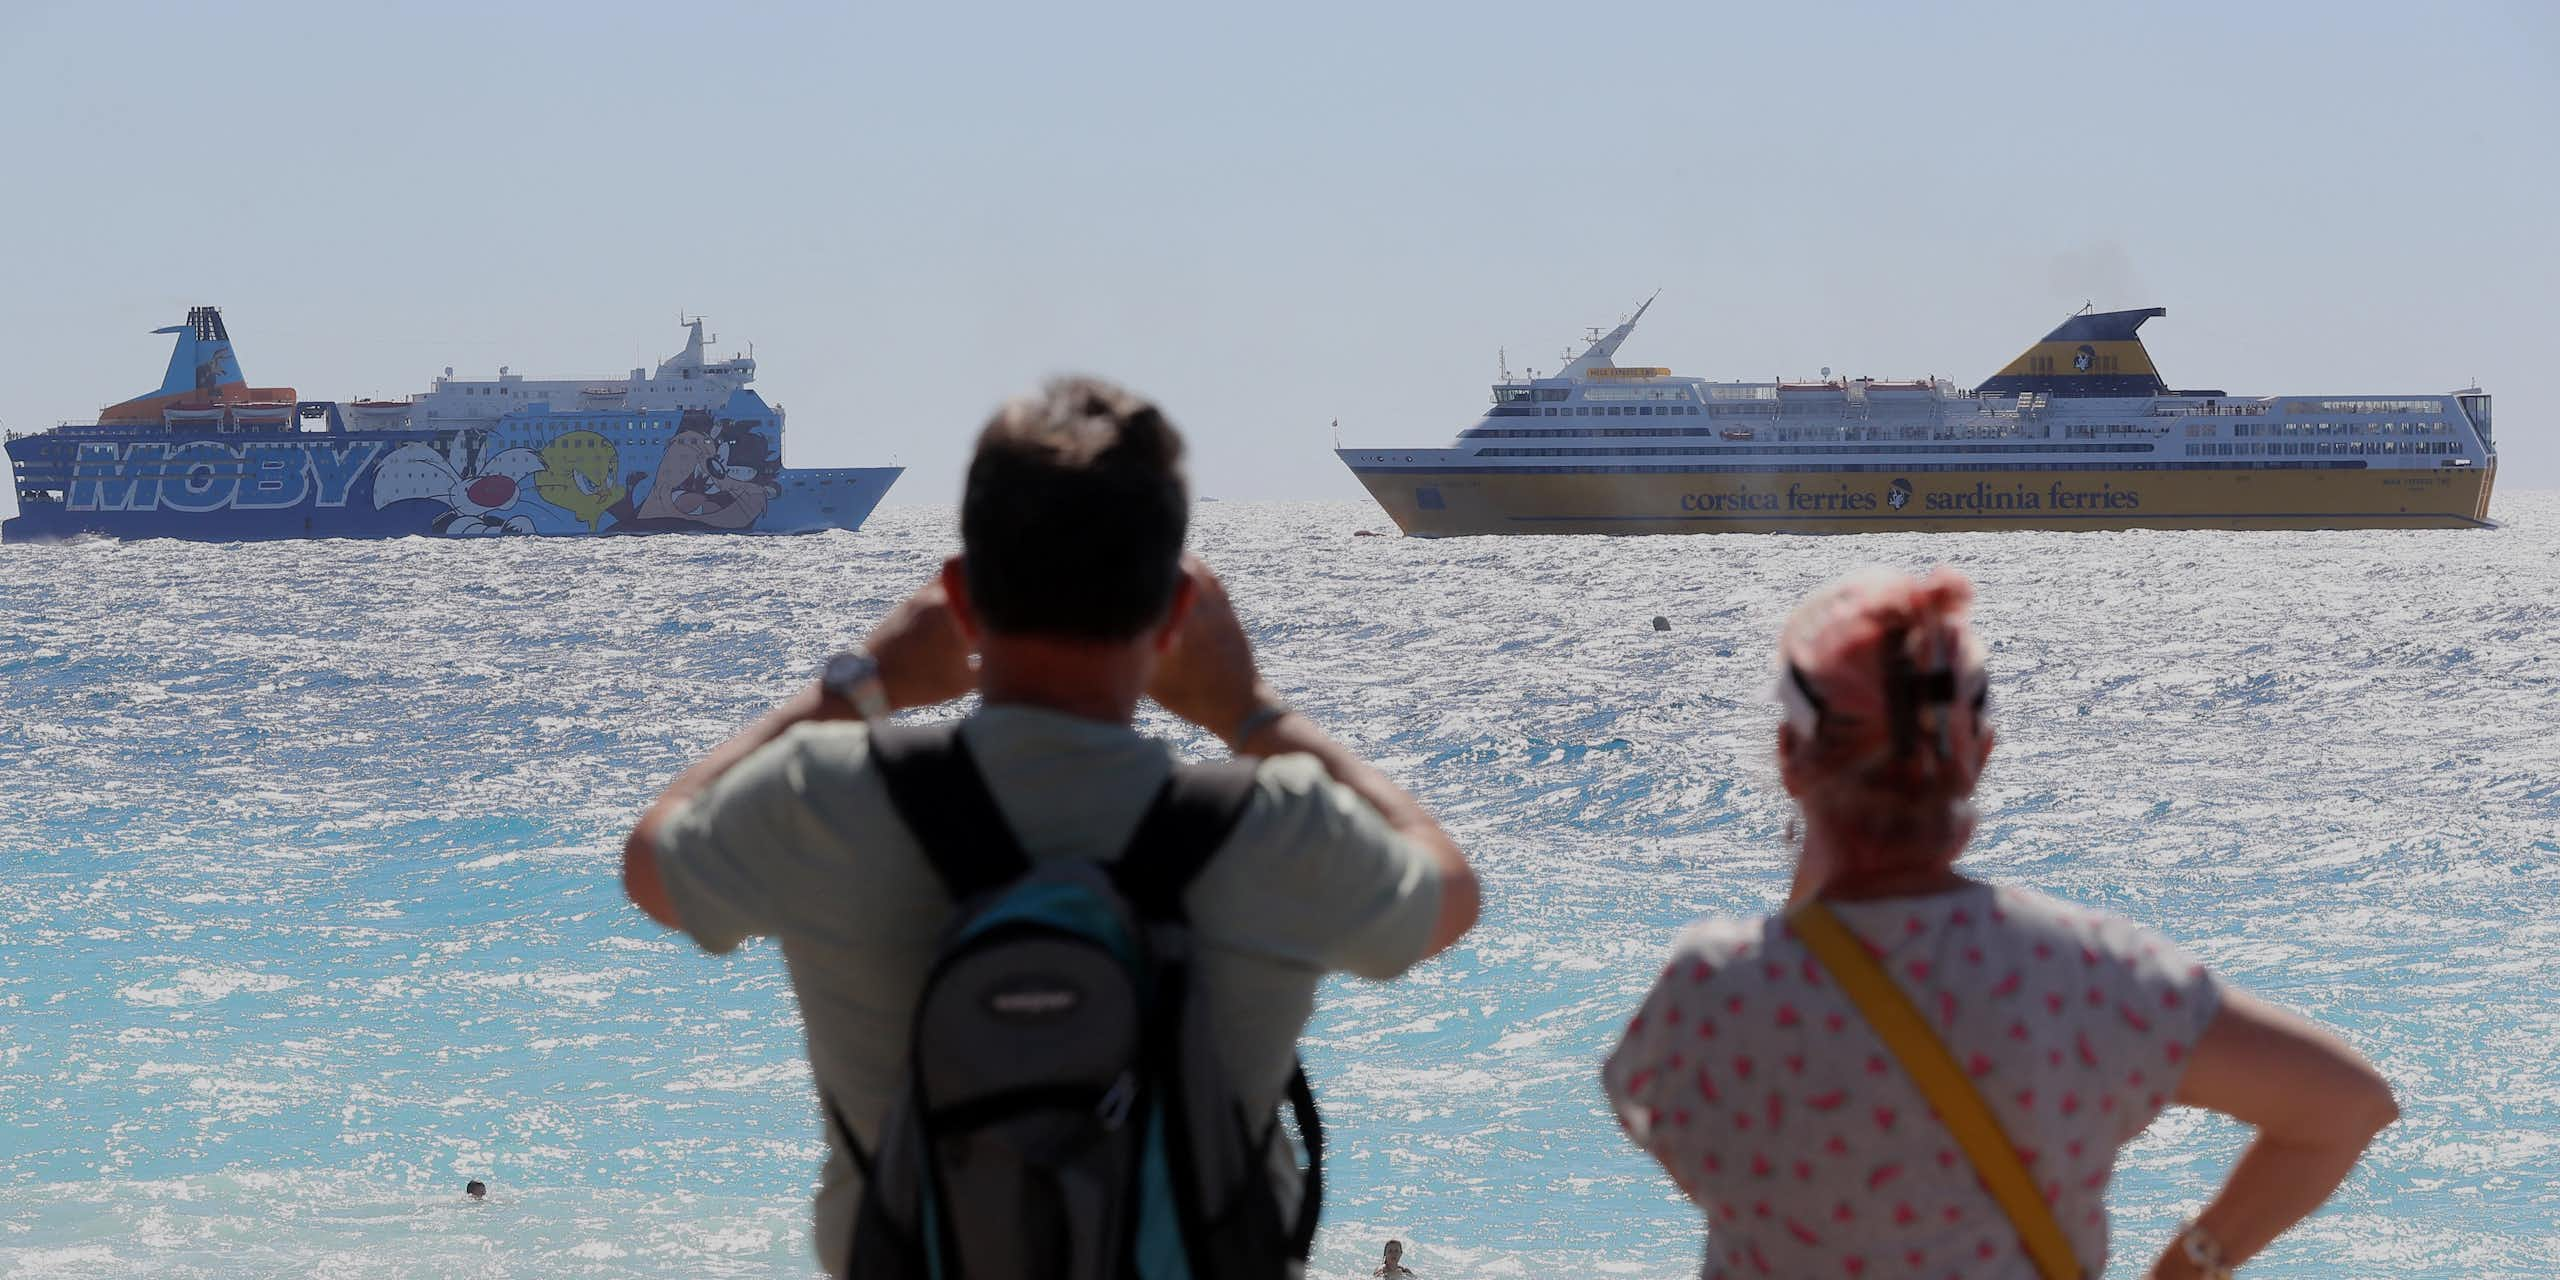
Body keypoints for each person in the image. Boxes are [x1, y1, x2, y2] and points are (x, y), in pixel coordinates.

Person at [621, 377, 1479, 1277]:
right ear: (1176, 614)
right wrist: (1251, 711)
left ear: (959, 597)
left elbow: (652, 863)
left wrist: (857, 686)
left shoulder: (825, 796)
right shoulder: (1276, 825)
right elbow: (1450, 893)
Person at [1601, 567, 2396, 1280]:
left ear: (1787, 754)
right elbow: (2348, 1104)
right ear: (1977, 754)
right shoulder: (2086, 975)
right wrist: (2194, 1262)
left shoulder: (1709, 994)